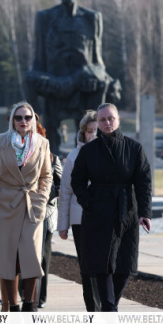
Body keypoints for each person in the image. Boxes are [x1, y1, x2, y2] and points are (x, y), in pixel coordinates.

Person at [71, 103, 153, 324]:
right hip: (97, 212)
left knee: (124, 265)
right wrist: (88, 202)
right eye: (103, 119)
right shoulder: (88, 151)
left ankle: (111, 304)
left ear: (118, 120)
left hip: (127, 210)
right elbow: (77, 180)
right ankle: (109, 311)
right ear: (97, 122)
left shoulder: (134, 148)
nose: (107, 122)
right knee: (103, 264)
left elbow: (144, 182)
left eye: (111, 118)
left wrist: (145, 212)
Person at [25, 0, 121, 154]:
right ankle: (34, 133)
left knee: (101, 82)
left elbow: (98, 63)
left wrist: (105, 78)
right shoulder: (45, 17)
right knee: (29, 79)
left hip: (81, 82)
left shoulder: (91, 18)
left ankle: (95, 143)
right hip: (54, 82)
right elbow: (39, 61)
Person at [0, 101, 52, 324]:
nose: (23, 121)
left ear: (34, 120)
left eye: (28, 117)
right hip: (3, 206)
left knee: (31, 256)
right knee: (6, 258)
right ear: (12, 120)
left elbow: (47, 177)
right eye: (19, 117)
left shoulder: (42, 142)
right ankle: (11, 306)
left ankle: (29, 305)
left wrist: (41, 201)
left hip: (32, 206)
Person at [57, 109, 101, 312]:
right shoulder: (74, 157)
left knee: (104, 265)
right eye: (90, 131)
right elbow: (65, 192)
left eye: (97, 130)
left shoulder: (108, 154)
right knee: (86, 267)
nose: (93, 134)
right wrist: (63, 225)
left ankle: (106, 305)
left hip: (103, 218)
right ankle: (92, 308)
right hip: (80, 219)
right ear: (83, 132)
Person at [35, 116, 62, 309]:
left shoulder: (53, 158)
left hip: (46, 213)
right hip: (23, 212)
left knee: (44, 256)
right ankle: (24, 290)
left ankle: (41, 296)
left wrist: (43, 195)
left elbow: (59, 184)